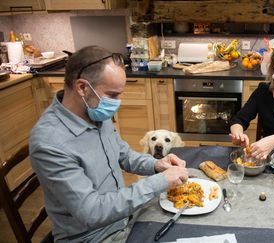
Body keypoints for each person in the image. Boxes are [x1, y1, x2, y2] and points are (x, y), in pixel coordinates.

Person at [30, 46, 189, 242]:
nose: (117, 103)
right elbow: (92, 211)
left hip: (123, 218)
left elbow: (123, 154)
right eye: (113, 95)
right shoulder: (50, 142)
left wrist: (156, 165)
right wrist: (160, 181)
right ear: (82, 88)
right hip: (94, 237)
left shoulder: (93, 110)